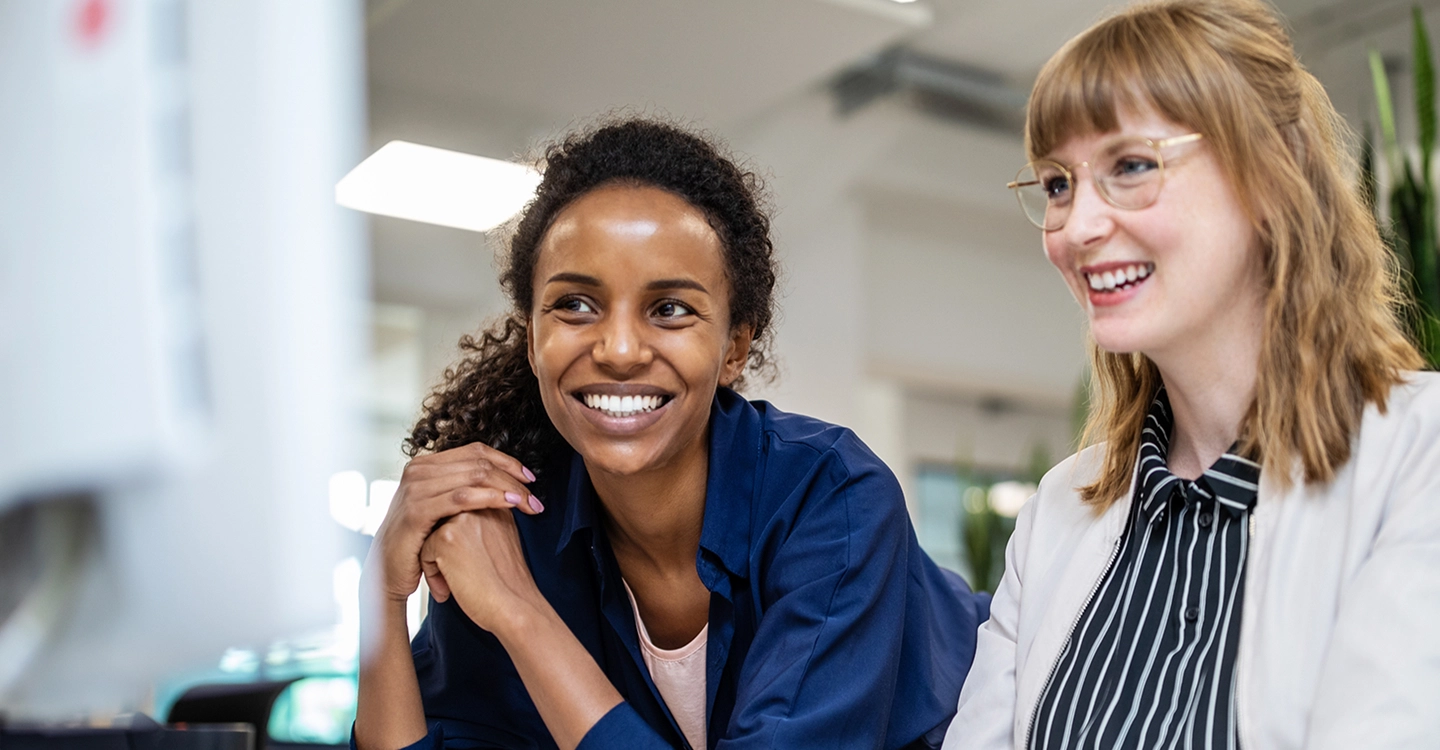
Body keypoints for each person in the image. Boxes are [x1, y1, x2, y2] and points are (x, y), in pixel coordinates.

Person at [354, 118, 989, 750]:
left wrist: (522, 615)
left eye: (670, 309)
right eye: (575, 304)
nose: (621, 350)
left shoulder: (830, 494)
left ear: (734, 347)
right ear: (531, 338)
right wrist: (381, 592)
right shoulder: (510, 526)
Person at [944, 1, 1440, 748]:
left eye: (1132, 166)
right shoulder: (1058, 513)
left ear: (1271, 176)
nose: (1076, 228)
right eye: (1056, 184)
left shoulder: (1418, 458)